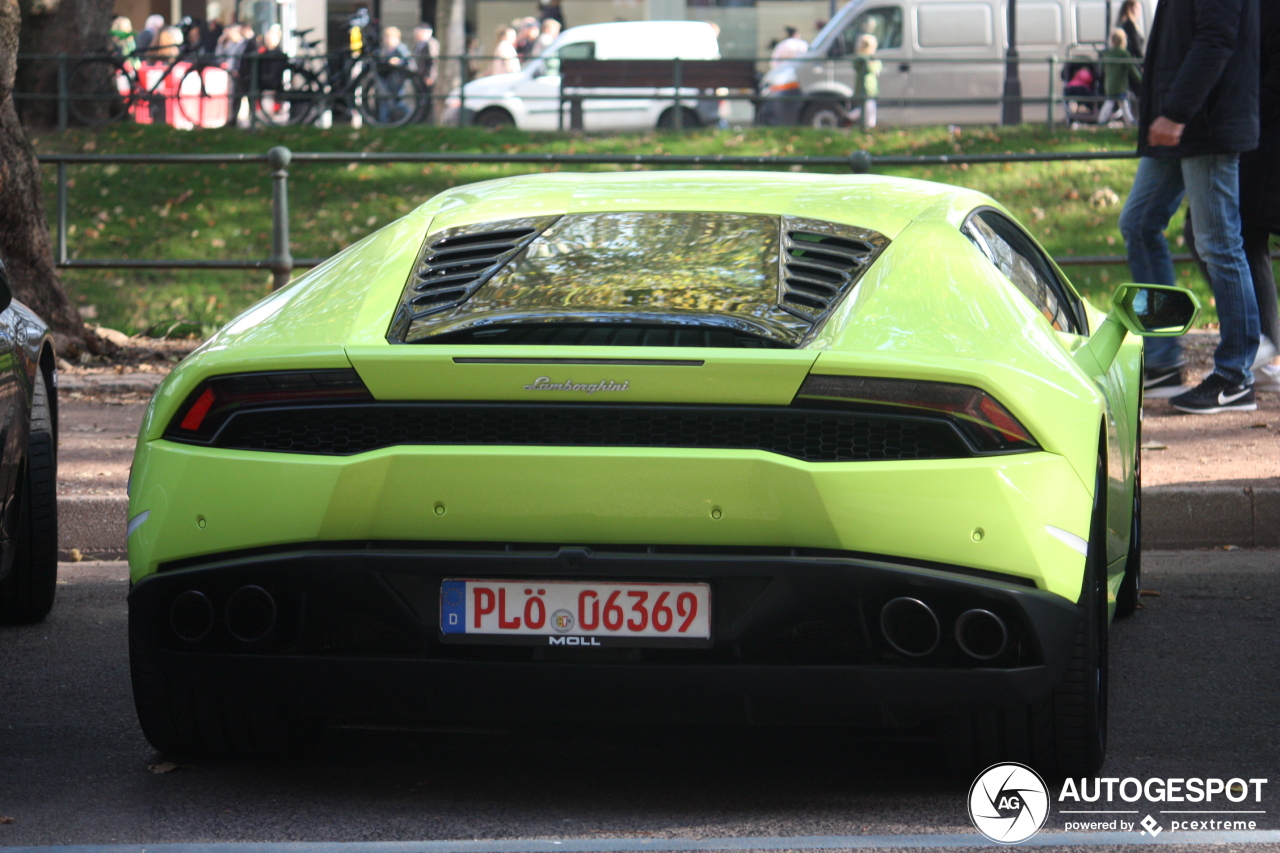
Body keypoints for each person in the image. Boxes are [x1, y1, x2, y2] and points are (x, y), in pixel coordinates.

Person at [1117, 0, 1260, 414]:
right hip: (1182, 121)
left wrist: (1177, 112)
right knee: (1139, 224)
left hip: (1204, 123)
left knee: (1219, 244)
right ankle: (1163, 359)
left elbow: (1217, 38)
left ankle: (1236, 375)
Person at [1098, 29, 1141, 126]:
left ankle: (1101, 120)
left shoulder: (1107, 54)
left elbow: (1103, 70)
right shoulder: (1124, 53)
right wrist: (1141, 80)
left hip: (1109, 84)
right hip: (1120, 85)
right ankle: (1130, 122)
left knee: (1110, 102)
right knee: (1123, 103)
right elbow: (1132, 69)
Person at [849, 33, 881, 129]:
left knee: (868, 108)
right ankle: (868, 126)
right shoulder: (862, 58)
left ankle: (854, 120)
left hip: (869, 88)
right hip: (866, 88)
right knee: (868, 108)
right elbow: (871, 67)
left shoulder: (866, 58)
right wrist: (876, 64)